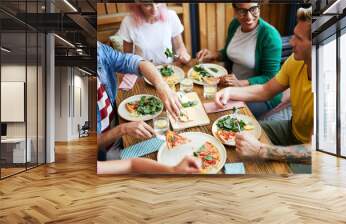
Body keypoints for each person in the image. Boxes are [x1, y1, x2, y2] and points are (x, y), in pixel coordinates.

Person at [214, 7, 313, 160]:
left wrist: (262, 150)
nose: (291, 42)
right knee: (231, 138)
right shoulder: (295, 61)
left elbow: (317, 152)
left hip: (310, 153)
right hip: (292, 130)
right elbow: (265, 90)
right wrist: (229, 92)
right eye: (294, 35)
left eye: (299, 38)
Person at [97, 41, 199, 174]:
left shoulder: (99, 50)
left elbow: (138, 62)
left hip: (115, 128)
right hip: (104, 152)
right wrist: (122, 129)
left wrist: (162, 85)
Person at [196, 3, 284, 118]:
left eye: (253, 9)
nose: (249, 17)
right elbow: (231, 53)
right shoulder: (235, 24)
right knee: (202, 100)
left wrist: (240, 83)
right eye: (242, 11)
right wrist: (214, 54)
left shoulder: (271, 36)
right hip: (230, 86)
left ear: (259, 7)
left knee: (222, 113)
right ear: (235, 10)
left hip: (261, 95)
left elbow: (270, 77)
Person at [118, 3, 191, 65]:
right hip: (143, 72)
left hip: (169, 70)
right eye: (147, 5)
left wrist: (183, 53)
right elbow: (127, 57)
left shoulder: (171, 16)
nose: (154, 10)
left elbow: (179, 47)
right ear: (137, 5)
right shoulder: (128, 22)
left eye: (157, 3)